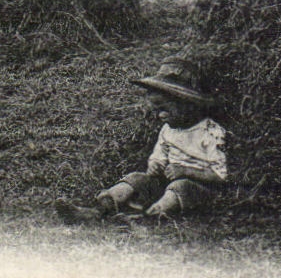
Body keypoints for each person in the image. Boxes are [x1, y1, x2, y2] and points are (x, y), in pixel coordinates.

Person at [56, 57, 229, 223]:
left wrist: (186, 171)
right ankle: (99, 209)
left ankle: (152, 216)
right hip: (166, 184)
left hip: (197, 189)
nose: (160, 115)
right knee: (136, 178)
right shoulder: (168, 130)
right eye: (157, 110)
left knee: (181, 186)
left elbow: (221, 175)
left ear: (188, 104)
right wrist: (155, 165)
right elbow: (159, 156)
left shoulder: (210, 131)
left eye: (165, 109)